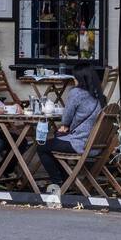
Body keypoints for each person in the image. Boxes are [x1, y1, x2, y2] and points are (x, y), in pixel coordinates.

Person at [36, 64, 105, 192]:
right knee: (55, 140)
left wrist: (65, 126)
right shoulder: (100, 96)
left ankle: (59, 182)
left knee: (42, 146)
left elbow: (66, 119)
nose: (73, 80)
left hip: (79, 144)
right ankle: (66, 179)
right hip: (96, 146)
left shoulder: (76, 93)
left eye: (75, 77)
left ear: (80, 79)